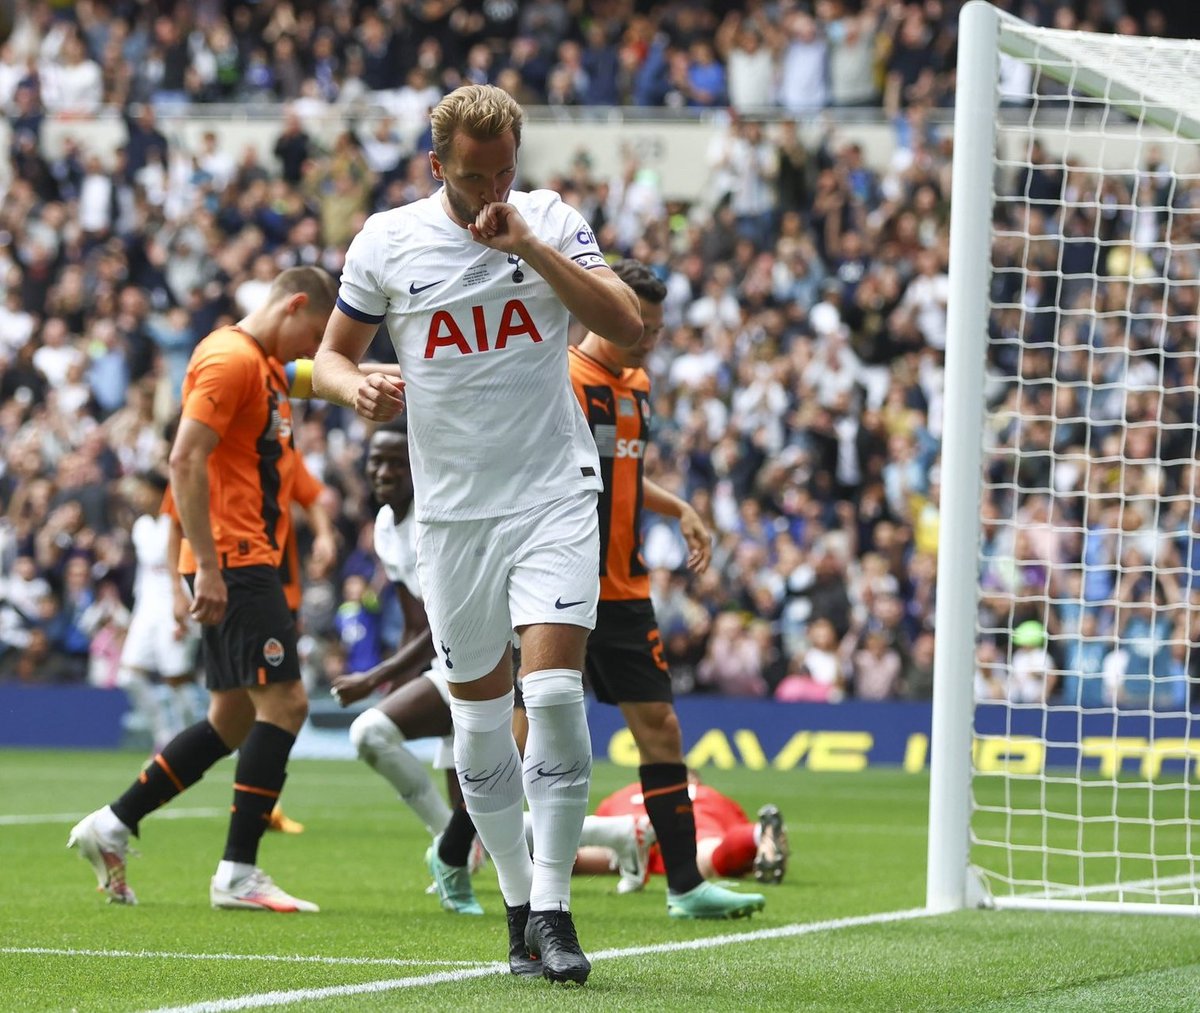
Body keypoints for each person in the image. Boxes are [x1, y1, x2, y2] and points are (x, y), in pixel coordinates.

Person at [312, 83, 643, 984]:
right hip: (453, 516)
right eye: (472, 175)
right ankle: (514, 910)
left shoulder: (546, 219)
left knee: (559, 696)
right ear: (436, 168)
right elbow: (334, 357)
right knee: (480, 725)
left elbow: (626, 325)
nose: (491, 187)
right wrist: (356, 388)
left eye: (504, 169)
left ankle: (556, 910)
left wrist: (530, 245)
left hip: (552, 493)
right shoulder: (387, 239)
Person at [68, 266, 338, 911]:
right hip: (237, 558)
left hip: (244, 557)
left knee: (232, 717)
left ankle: (112, 823)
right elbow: (184, 460)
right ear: (295, 304)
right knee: (288, 704)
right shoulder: (228, 358)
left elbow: (314, 377)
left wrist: (371, 384)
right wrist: (210, 567)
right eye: (315, 332)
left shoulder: (266, 366)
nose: (313, 347)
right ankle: (238, 873)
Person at [330, 419, 654, 916]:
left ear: (421, 464)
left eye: (397, 461)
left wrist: (374, 677)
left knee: (504, 785)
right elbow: (420, 619)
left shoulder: (443, 514)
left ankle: (454, 856)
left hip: (503, 658)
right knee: (452, 783)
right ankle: (607, 838)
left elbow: (439, 620)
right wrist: (396, 677)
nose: (383, 471)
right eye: (376, 461)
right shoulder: (385, 528)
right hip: (450, 660)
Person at [568, 258, 766, 919]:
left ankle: (684, 886)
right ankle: (456, 855)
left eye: (654, 327)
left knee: (660, 727)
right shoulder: (564, 378)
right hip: (559, 588)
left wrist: (676, 504)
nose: (645, 338)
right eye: (635, 325)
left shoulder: (638, 383)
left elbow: (623, 473)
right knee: (522, 740)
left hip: (623, 589)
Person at [117, 471, 203, 752]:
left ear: (160, 493)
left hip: (175, 607)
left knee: (176, 677)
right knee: (128, 676)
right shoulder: (141, 526)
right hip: (147, 609)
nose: (138, 497)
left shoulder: (176, 523)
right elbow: (144, 575)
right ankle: (164, 733)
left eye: (143, 490)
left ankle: (196, 739)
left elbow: (188, 568)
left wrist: (186, 610)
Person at [589, 773, 790, 886]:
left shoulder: (623, 794)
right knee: (709, 854)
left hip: (630, 825)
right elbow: (734, 830)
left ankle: (563, 857)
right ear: (693, 779)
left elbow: (600, 823)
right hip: (689, 827)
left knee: (600, 850)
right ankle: (760, 834)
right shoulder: (709, 794)